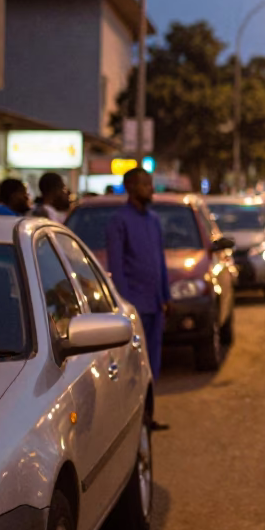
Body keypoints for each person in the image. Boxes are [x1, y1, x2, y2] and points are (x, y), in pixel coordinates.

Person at [105, 168, 170, 426]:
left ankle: (148, 414)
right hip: (135, 305)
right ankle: (135, 419)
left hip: (155, 302)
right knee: (134, 365)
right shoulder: (118, 221)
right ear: (130, 187)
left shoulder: (153, 220)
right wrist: (125, 305)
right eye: (145, 184)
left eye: (151, 184)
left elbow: (159, 262)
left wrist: (166, 295)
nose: (151, 189)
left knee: (152, 361)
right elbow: (117, 267)